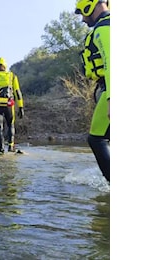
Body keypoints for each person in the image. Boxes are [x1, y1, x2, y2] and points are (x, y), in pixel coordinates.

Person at [75, 0, 110, 182]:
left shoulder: (103, 28)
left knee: (96, 139)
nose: (82, 18)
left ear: (90, 6)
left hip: (110, 88)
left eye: (82, 12)